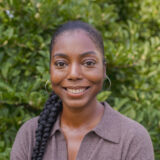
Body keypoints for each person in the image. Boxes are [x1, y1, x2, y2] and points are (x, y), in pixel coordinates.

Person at [11, 20, 154, 160]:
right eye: (61, 63)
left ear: (104, 70)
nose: (73, 74)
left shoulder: (132, 139)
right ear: (50, 70)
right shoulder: (30, 135)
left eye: (88, 63)